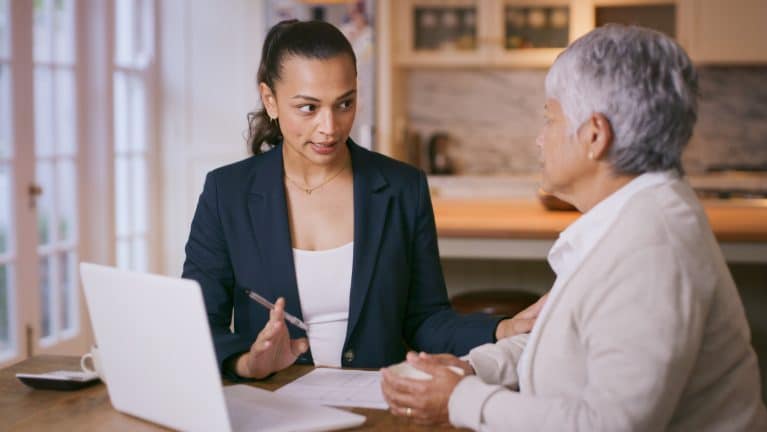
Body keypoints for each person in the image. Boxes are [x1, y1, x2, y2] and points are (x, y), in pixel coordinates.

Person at [381, 25, 767, 431]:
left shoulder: (651, 250)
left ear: (594, 136)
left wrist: (460, 400)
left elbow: (608, 424)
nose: (539, 140)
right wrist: (470, 367)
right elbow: (563, 341)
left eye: (550, 118)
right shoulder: (631, 216)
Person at [182, 19, 541, 381]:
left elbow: (426, 320)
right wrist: (248, 363)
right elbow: (196, 324)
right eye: (308, 108)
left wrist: (502, 330)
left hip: (377, 405)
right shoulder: (226, 193)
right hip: (272, 405)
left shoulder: (403, 188)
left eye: (344, 103)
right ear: (270, 100)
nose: (330, 127)